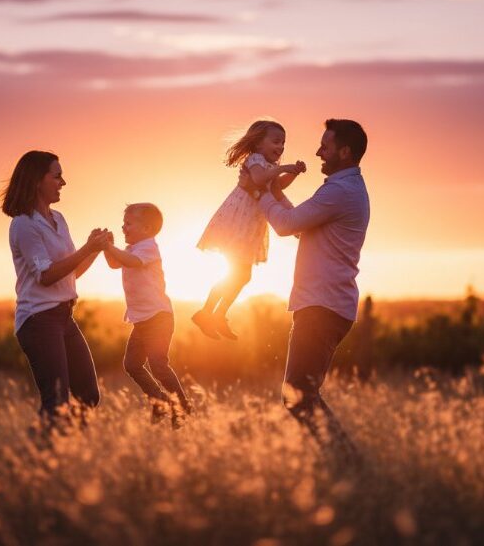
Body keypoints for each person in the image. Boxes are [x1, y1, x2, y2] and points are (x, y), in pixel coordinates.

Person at [257, 119, 370, 455]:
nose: (319, 151)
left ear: (345, 151)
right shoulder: (341, 189)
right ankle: (343, 464)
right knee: (301, 395)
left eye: (326, 145)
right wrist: (274, 193)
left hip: (322, 306)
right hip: (325, 304)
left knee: (298, 396)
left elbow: (284, 226)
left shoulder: (340, 191)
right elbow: (298, 225)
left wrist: (258, 192)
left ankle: (348, 465)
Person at [1, 150, 112, 428]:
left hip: (63, 318)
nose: (63, 182)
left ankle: (65, 451)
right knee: (57, 401)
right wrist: (88, 247)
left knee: (87, 395)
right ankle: (36, 457)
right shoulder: (23, 225)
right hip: (38, 321)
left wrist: (95, 250)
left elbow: (70, 274)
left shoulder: (59, 219)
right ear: (38, 180)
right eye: (57, 176)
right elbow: (47, 276)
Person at [194, 120, 306, 340]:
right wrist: (282, 168)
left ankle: (214, 314)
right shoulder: (255, 160)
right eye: (275, 141)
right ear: (258, 143)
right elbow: (258, 179)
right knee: (238, 273)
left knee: (242, 275)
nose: (281, 147)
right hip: (238, 223)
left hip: (250, 227)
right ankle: (208, 313)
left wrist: (293, 174)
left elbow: (277, 189)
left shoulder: (268, 167)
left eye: (283, 143)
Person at [104, 203, 193, 428]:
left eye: (128, 223)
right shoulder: (132, 248)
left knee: (158, 365)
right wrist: (106, 246)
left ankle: (181, 406)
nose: (123, 227)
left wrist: (108, 246)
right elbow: (116, 263)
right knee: (132, 364)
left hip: (158, 318)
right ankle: (159, 400)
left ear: (146, 228)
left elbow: (130, 262)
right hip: (142, 321)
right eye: (123, 223)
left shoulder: (148, 247)